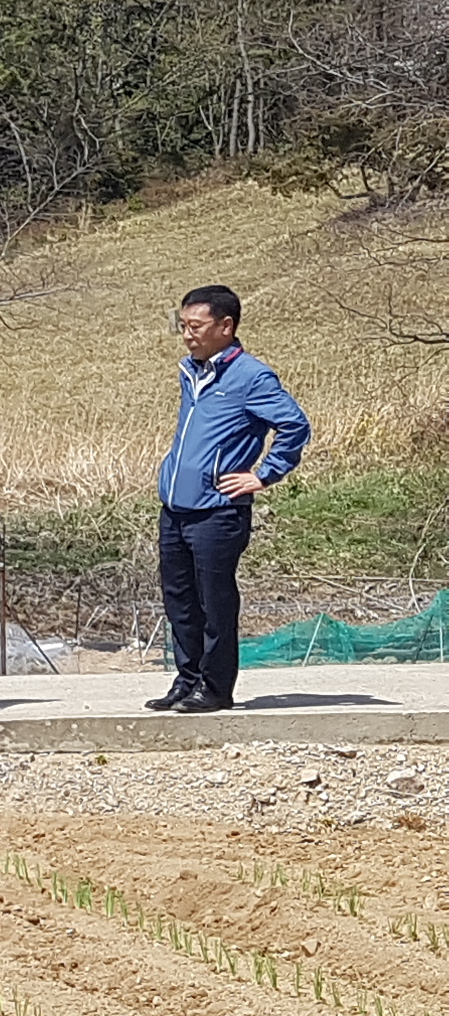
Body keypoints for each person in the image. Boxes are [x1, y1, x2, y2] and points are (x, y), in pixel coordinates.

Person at [150, 285, 311, 714]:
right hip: (175, 508)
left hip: (218, 511)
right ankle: (187, 679)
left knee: (214, 602)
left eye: (196, 326)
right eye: (183, 326)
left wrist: (263, 475)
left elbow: (294, 425)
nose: (188, 335)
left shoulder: (251, 377)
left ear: (226, 326)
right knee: (179, 600)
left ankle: (216, 688)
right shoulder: (191, 372)